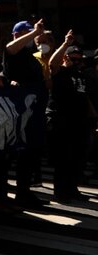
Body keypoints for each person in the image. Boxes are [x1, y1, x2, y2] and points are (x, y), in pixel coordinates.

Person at [3, 19, 49, 209]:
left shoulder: (29, 55)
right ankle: (16, 194)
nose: (35, 37)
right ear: (18, 35)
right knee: (20, 152)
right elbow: (10, 47)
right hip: (21, 113)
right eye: (29, 34)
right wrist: (33, 33)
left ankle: (25, 191)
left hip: (35, 111)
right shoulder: (13, 52)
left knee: (31, 153)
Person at [47, 33, 96, 201]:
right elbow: (52, 63)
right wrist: (65, 43)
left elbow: (85, 97)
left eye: (79, 60)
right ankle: (61, 192)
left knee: (78, 158)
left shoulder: (82, 76)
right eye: (72, 59)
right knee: (64, 159)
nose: (76, 62)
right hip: (62, 122)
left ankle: (72, 189)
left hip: (80, 122)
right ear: (65, 58)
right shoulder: (60, 72)